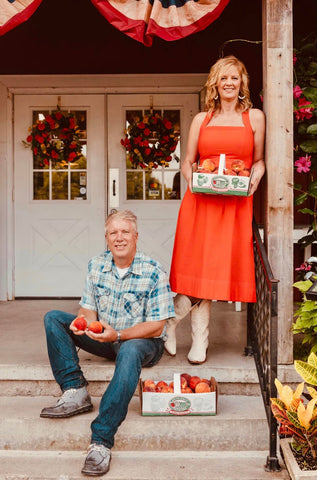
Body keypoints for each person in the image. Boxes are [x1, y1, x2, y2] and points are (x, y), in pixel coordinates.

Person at [40, 209, 175, 476]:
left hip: (143, 343)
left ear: (136, 236)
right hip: (107, 337)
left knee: (130, 348)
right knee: (54, 318)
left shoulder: (153, 270)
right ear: (106, 238)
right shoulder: (96, 265)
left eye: (125, 232)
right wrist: (88, 323)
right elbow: (88, 309)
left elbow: (157, 325)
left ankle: (101, 440)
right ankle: (75, 389)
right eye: (113, 232)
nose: (119, 237)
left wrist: (120, 336)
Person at [166, 55, 265, 364]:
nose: (229, 83)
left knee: (215, 269)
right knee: (199, 270)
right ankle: (199, 342)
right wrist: (193, 180)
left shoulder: (255, 118)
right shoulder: (202, 119)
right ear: (215, 83)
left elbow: (259, 159)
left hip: (235, 204)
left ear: (242, 83)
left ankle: (170, 321)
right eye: (223, 78)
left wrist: (257, 176)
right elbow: (188, 162)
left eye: (234, 78)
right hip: (202, 202)